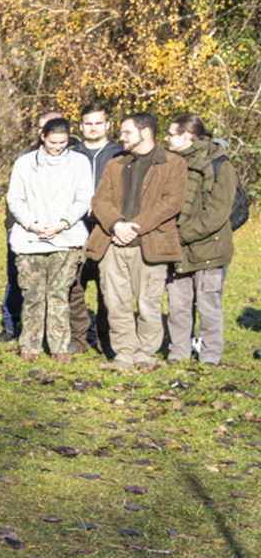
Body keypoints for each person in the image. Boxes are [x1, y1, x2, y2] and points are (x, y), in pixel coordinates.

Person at [85, 112, 187, 371]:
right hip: (113, 244)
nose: (121, 137)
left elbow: (172, 202)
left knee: (148, 304)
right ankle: (124, 354)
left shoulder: (172, 163)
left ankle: (145, 354)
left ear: (146, 132)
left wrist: (136, 227)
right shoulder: (115, 163)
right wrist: (117, 224)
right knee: (115, 303)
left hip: (150, 244)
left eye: (126, 132)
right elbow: (100, 201)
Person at [3, 117, 94, 360]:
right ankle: (30, 345)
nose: (57, 147)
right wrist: (32, 225)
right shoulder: (24, 164)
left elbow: (84, 198)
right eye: (53, 142)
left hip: (66, 239)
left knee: (58, 295)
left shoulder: (79, 163)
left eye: (62, 142)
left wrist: (63, 224)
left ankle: (59, 347)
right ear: (42, 137)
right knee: (32, 296)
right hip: (30, 239)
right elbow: (15, 198)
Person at [163, 113, 237, 367]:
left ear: (188, 136)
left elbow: (217, 212)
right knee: (178, 303)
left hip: (209, 247)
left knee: (208, 306)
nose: (166, 138)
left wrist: (181, 235)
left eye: (171, 134)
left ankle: (210, 355)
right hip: (176, 247)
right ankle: (178, 351)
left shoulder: (220, 165)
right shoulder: (169, 163)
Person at [67, 101, 121, 352]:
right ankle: (76, 337)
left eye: (98, 123)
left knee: (107, 288)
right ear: (80, 125)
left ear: (108, 124)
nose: (93, 128)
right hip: (74, 228)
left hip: (107, 228)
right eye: (88, 123)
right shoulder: (70, 152)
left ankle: (105, 338)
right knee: (73, 285)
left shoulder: (119, 153)